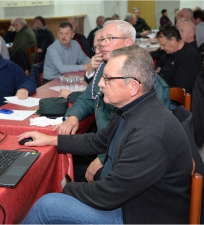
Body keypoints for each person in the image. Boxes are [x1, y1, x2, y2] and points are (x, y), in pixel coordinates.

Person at [18, 45, 192, 224]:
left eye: (107, 79)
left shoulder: (151, 134)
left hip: (140, 216)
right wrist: (51, 139)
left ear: (133, 87)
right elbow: (98, 141)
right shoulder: (131, 110)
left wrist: (67, 188)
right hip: (131, 202)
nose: (100, 83)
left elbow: (107, 195)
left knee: (46, 206)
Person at [56, 20, 170, 182]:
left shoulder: (147, 83)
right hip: (106, 143)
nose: (103, 44)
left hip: (127, 161)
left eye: (110, 38)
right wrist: (73, 116)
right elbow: (87, 98)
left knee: (64, 177)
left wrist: (103, 158)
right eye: (102, 40)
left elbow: (139, 140)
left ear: (128, 42)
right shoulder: (104, 69)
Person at [156, 24, 201, 94]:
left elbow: (181, 90)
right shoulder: (173, 51)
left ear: (173, 40)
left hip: (171, 96)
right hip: (162, 87)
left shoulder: (188, 57)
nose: (161, 48)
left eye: (163, 44)